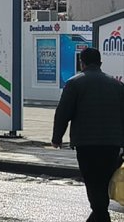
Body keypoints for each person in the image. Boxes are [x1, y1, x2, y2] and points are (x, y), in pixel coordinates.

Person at [52, 48, 124, 222]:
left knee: (92, 179)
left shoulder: (74, 83)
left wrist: (57, 138)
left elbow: (63, 113)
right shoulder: (117, 85)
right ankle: (99, 211)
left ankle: (100, 213)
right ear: (100, 63)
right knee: (104, 178)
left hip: (86, 144)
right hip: (112, 144)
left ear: (81, 63)